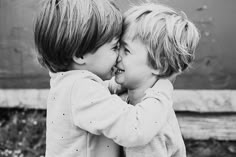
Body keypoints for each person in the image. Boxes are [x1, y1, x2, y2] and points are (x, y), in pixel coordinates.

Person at [34, 0, 176, 157]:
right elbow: (135, 130)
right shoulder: (82, 90)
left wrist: (119, 84)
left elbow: (102, 90)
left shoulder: (67, 83)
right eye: (115, 47)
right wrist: (162, 91)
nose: (118, 56)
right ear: (80, 55)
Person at [115, 2, 200, 157]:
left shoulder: (147, 130)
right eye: (117, 46)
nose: (116, 55)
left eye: (126, 50)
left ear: (158, 65)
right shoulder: (150, 101)